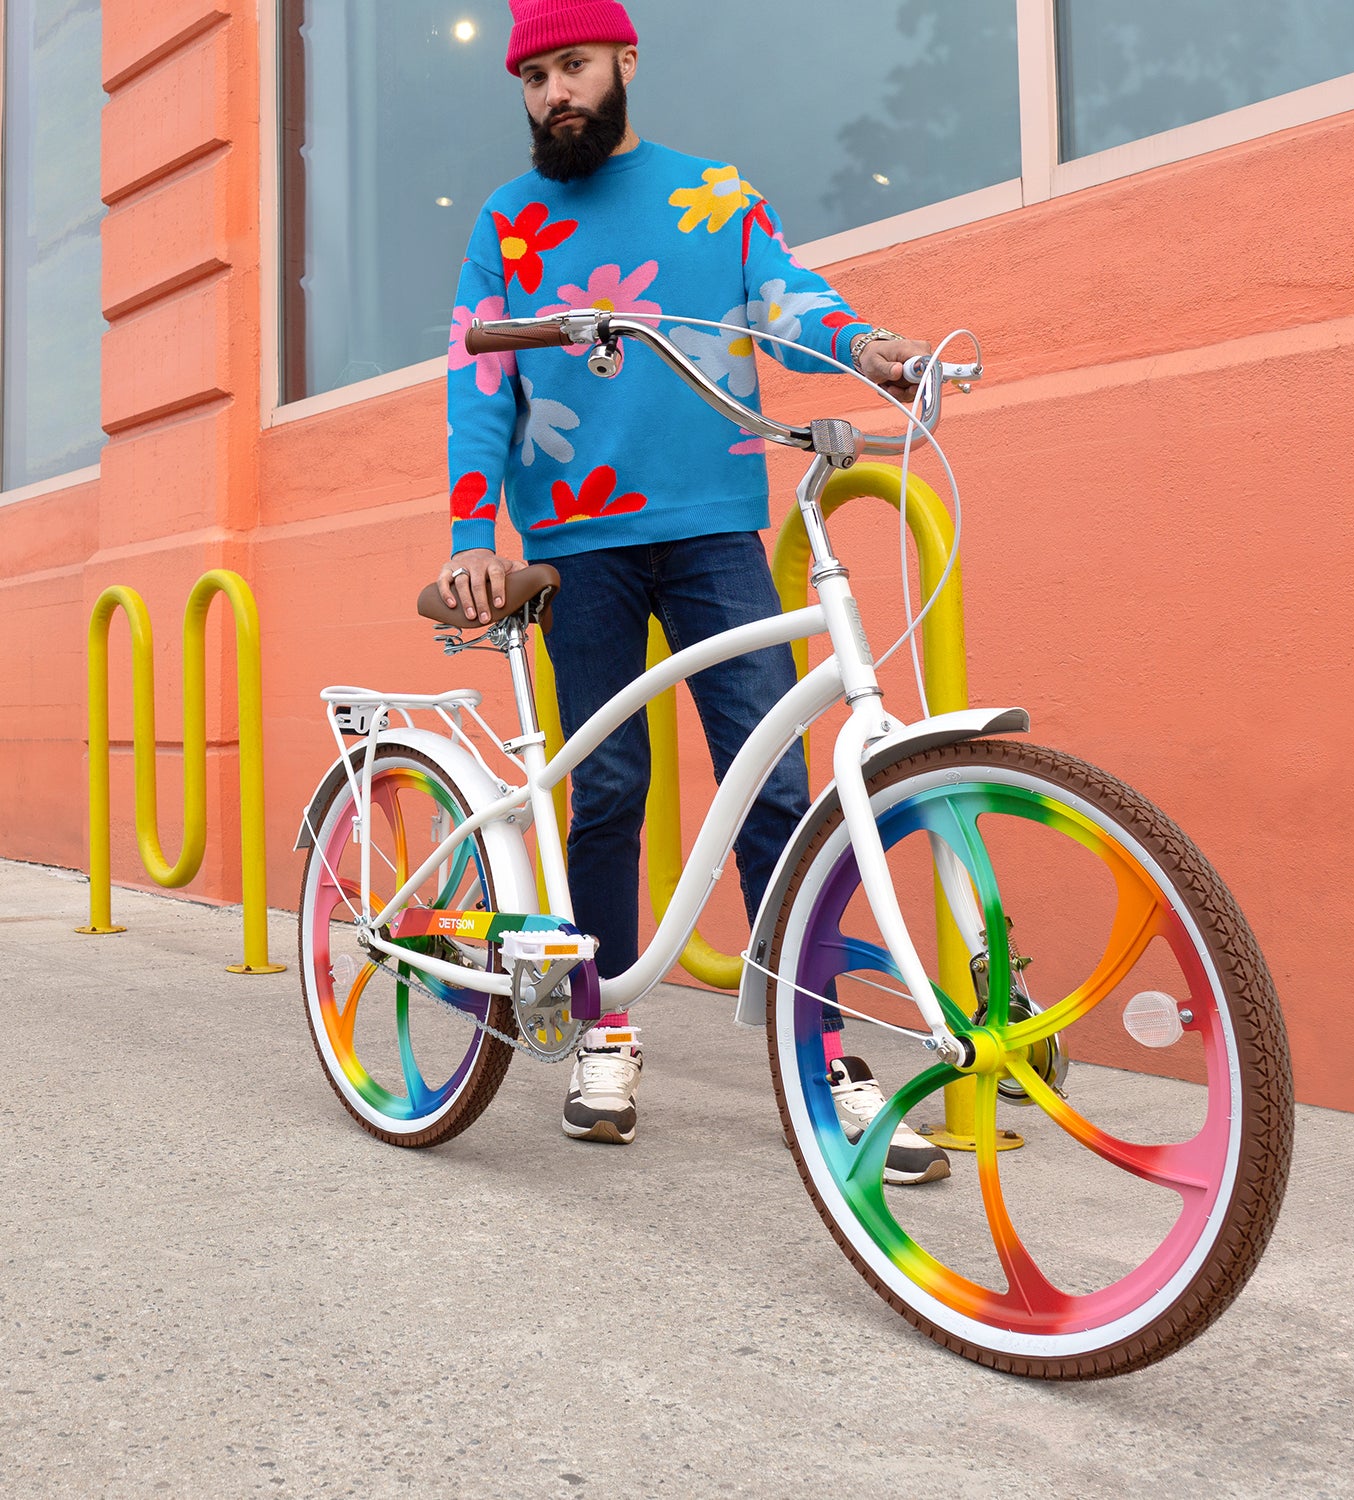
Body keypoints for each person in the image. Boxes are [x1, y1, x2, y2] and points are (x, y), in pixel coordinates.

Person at [438, 0, 949, 1184]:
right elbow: (479, 376)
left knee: (775, 785)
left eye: (572, 66)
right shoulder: (507, 224)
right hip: (578, 545)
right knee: (607, 789)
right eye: (532, 78)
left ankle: (812, 1049)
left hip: (717, 529)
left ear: (623, 62)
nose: (553, 93)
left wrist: (867, 349)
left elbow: (784, 299)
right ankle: (602, 1030)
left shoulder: (708, 191)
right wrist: (474, 529)